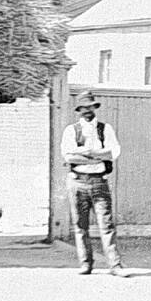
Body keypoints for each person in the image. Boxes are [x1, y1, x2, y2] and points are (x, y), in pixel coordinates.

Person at [61, 91, 124, 275]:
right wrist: (97, 156)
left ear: (95, 108)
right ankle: (86, 263)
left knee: (107, 225)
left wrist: (87, 153)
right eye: (84, 108)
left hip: (99, 182)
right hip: (77, 182)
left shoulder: (105, 129)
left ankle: (115, 265)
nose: (87, 111)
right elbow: (69, 157)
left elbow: (113, 152)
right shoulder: (71, 130)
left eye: (91, 107)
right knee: (80, 226)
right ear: (78, 110)